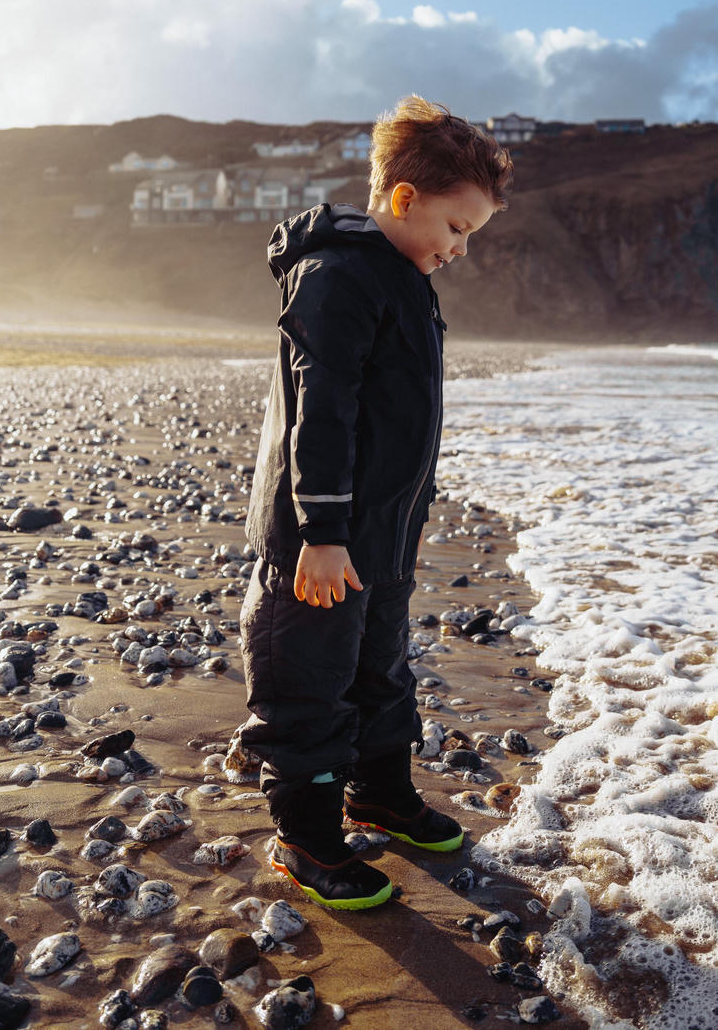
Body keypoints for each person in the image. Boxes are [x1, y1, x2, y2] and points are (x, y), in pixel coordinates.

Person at [226, 94, 512, 910]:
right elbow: (325, 412)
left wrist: (393, 527)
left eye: (473, 237)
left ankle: (380, 792)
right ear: (404, 199)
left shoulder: (403, 272)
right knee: (307, 678)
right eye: (457, 230)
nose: (460, 250)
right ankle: (306, 838)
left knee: (381, 670)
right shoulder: (338, 274)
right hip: (320, 536)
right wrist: (319, 533)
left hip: (380, 534)